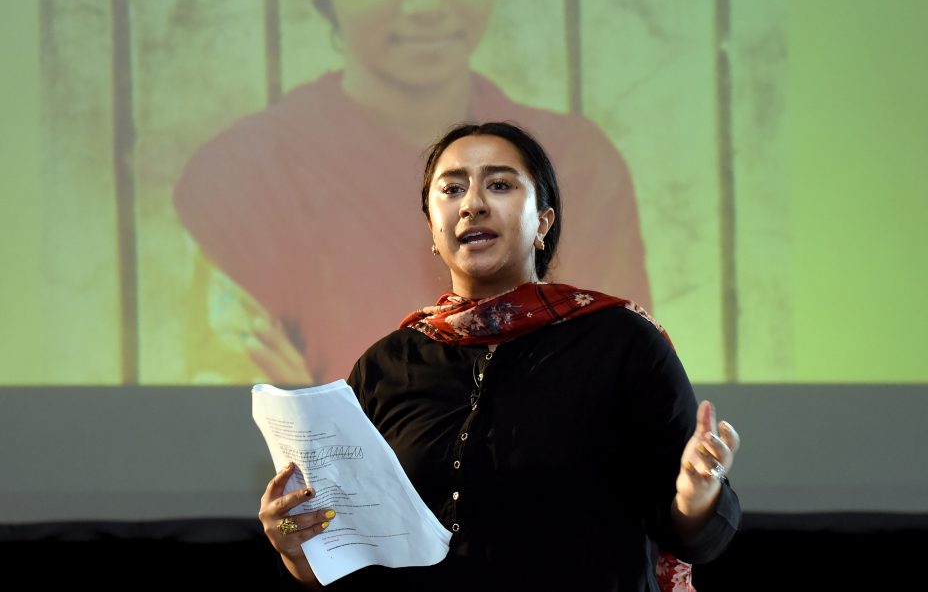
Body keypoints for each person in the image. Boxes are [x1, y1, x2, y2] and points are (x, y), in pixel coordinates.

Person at [173, 0, 651, 385]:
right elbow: (253, 402)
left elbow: (615, 387)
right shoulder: (242, 177)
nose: (425, 3)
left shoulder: (578, 164)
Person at [258, 122, 741, 590]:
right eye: (451, 189)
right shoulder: (385, 366)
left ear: (542, 223)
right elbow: (349, 556)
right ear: (432, 229)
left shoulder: (623, 343)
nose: (472, 204)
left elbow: (692, 535)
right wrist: (296, 547)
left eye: (500, 184)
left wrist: (695, 498)